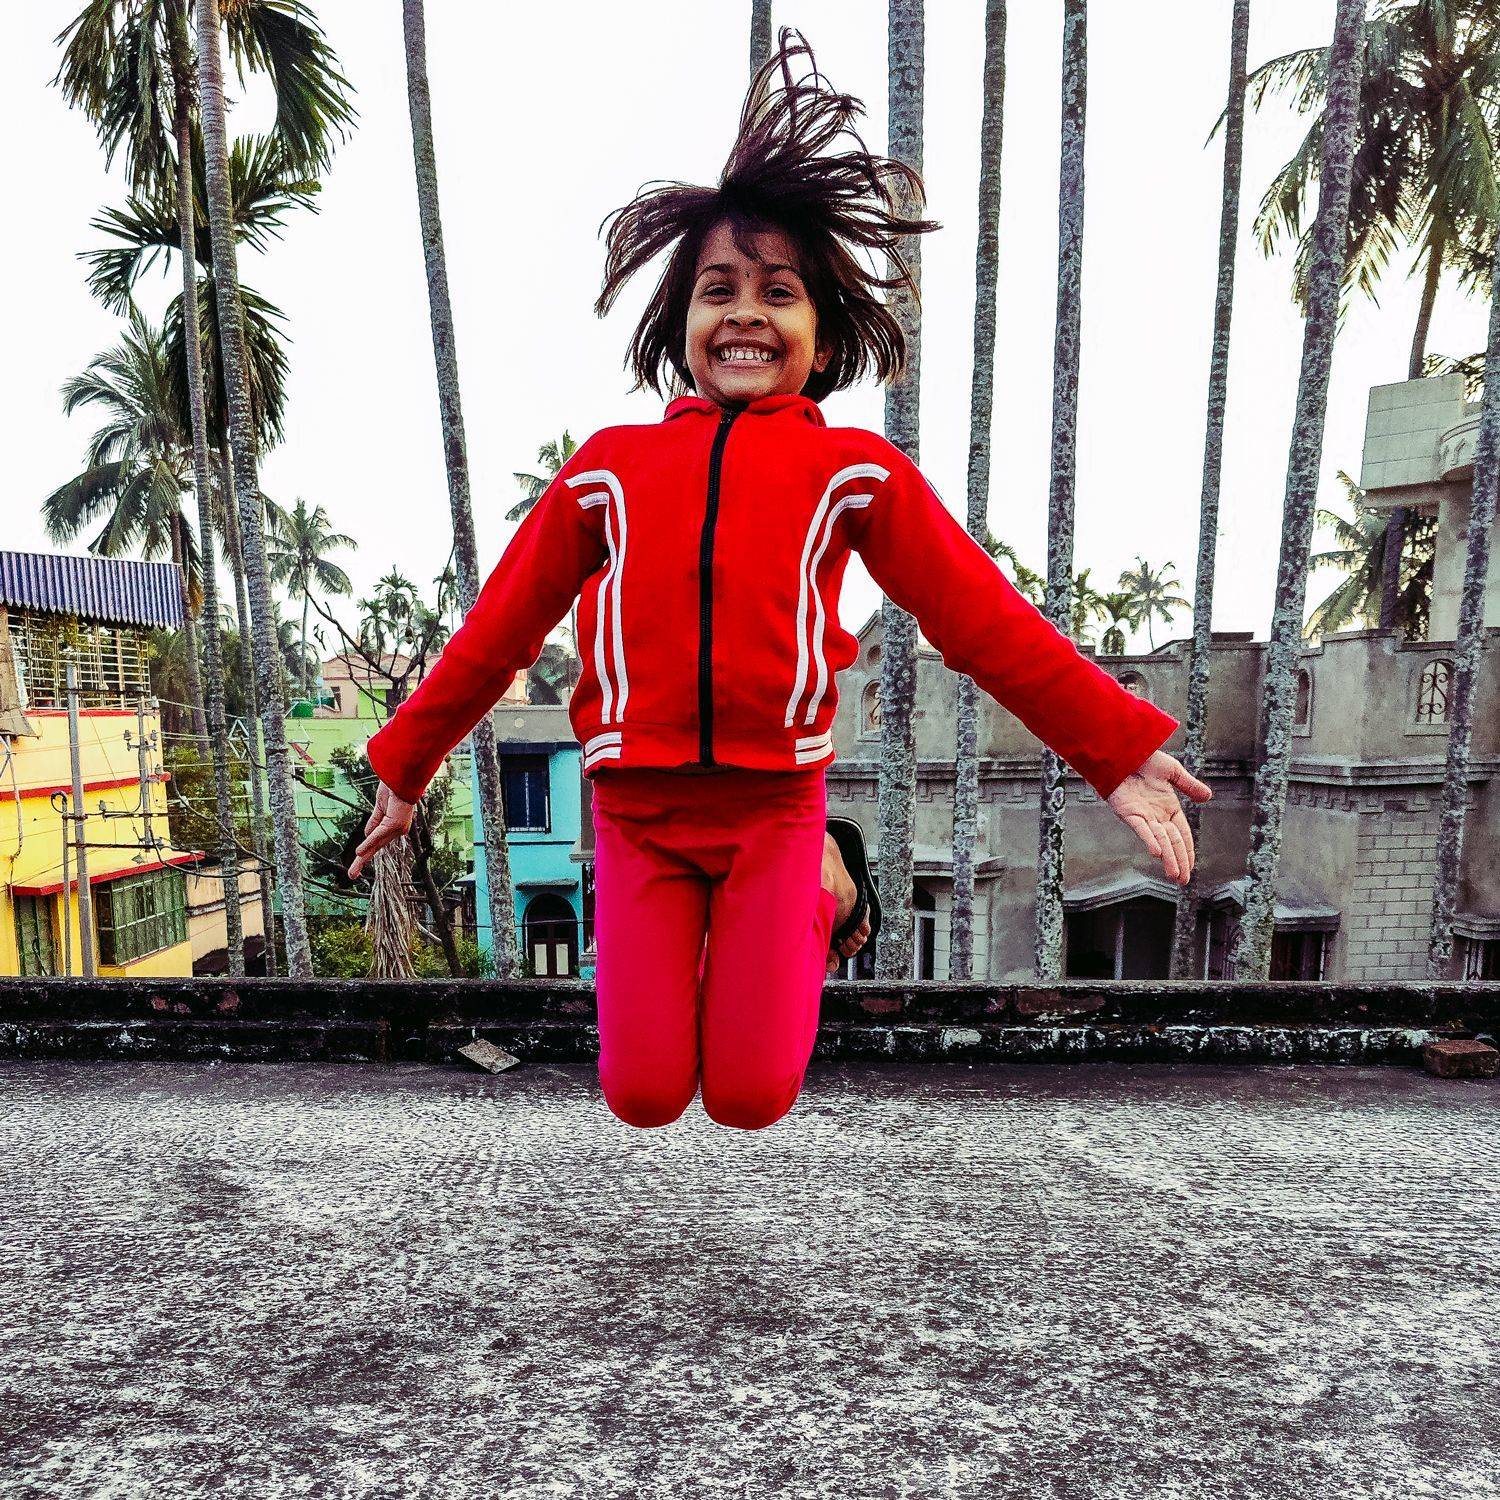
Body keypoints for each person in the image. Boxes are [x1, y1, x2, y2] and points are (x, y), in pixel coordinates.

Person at [350, 29, 1211, 1131]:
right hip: (639, 813)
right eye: (718, 290)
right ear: (681, 325)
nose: (746, 312)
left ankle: (830, 885)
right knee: (644, 1094)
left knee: (752, 1096)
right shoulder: (607, 471)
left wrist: (1113, 745)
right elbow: (501, 630)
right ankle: (773, 916)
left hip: (773, 815)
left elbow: (982, 620)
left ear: (823, 334)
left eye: (780, 292)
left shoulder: (853, 472)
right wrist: (406, 760)